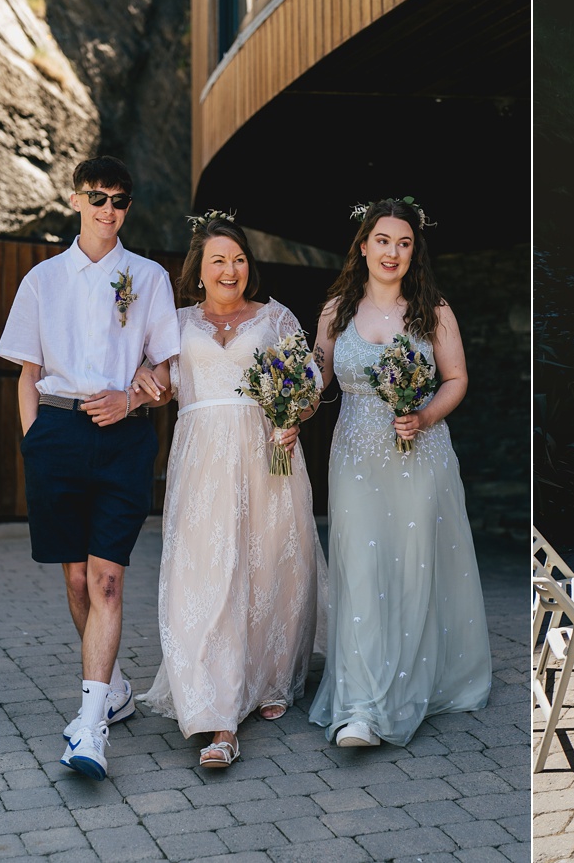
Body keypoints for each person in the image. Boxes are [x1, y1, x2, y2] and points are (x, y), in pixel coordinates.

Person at [0, 156, 180, 780]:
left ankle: (91, 725)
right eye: (97, 197)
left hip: (124, 439)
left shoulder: (148, 277)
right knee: (76, 582)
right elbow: (25, 372)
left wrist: (133, 398)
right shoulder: (42, 280)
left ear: (129, 208)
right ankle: (116, 686)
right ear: (76, 200)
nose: (109, 209)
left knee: (105, 581)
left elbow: (168, 372)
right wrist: (35, 442)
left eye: (120, 200)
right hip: (57, 435)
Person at [139, 212, 326, 768]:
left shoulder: (275, 318)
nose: (230, 269)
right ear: (198, 269)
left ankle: (268, 677)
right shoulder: (173, 322)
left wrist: (296, 415)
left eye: (239, 259)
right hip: (200, 458)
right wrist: (140, 384)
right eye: (218, 259)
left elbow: (308, 387)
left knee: (267, 564)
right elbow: (158, 383)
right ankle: (217, 718)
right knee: (205, 571)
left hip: (267, 453)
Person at [309, 197, 491, 747]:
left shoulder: (432, 310)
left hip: (419, 453)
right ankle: (362, 705)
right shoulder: (336, 310)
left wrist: (425, 413)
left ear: (415, 252)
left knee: (412, 568)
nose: (393, 252)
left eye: (404, 243)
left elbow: (455, 378)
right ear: (363, 246)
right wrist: (287, 402)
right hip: (356, 456)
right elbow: (318, 377)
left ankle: (412, 683)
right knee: (361, 566)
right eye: (383, 241)